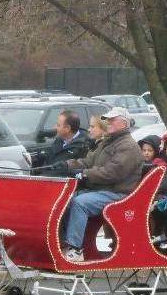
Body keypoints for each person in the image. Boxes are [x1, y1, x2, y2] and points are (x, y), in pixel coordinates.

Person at [61, 107, 143, 261]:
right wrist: (66, 165)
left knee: (80, 203)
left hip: (119, 194)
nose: (108, 122)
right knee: (64, 198)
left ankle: (75, 249)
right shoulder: (108, 142)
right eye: (108, 119)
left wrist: (84, 174)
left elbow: (112, 173)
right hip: (102, 190)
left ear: (124, 123)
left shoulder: (128, 146)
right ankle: (63, 242)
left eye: (113, 120)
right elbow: (88, 161)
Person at [33, 110, 89, 176]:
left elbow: (70, 172)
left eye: (58, 125)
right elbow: (49, 161)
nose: (55, 127)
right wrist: (36, 158)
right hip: (47, 179)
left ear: (67, 128)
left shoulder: (83, 146)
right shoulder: (59, 140)